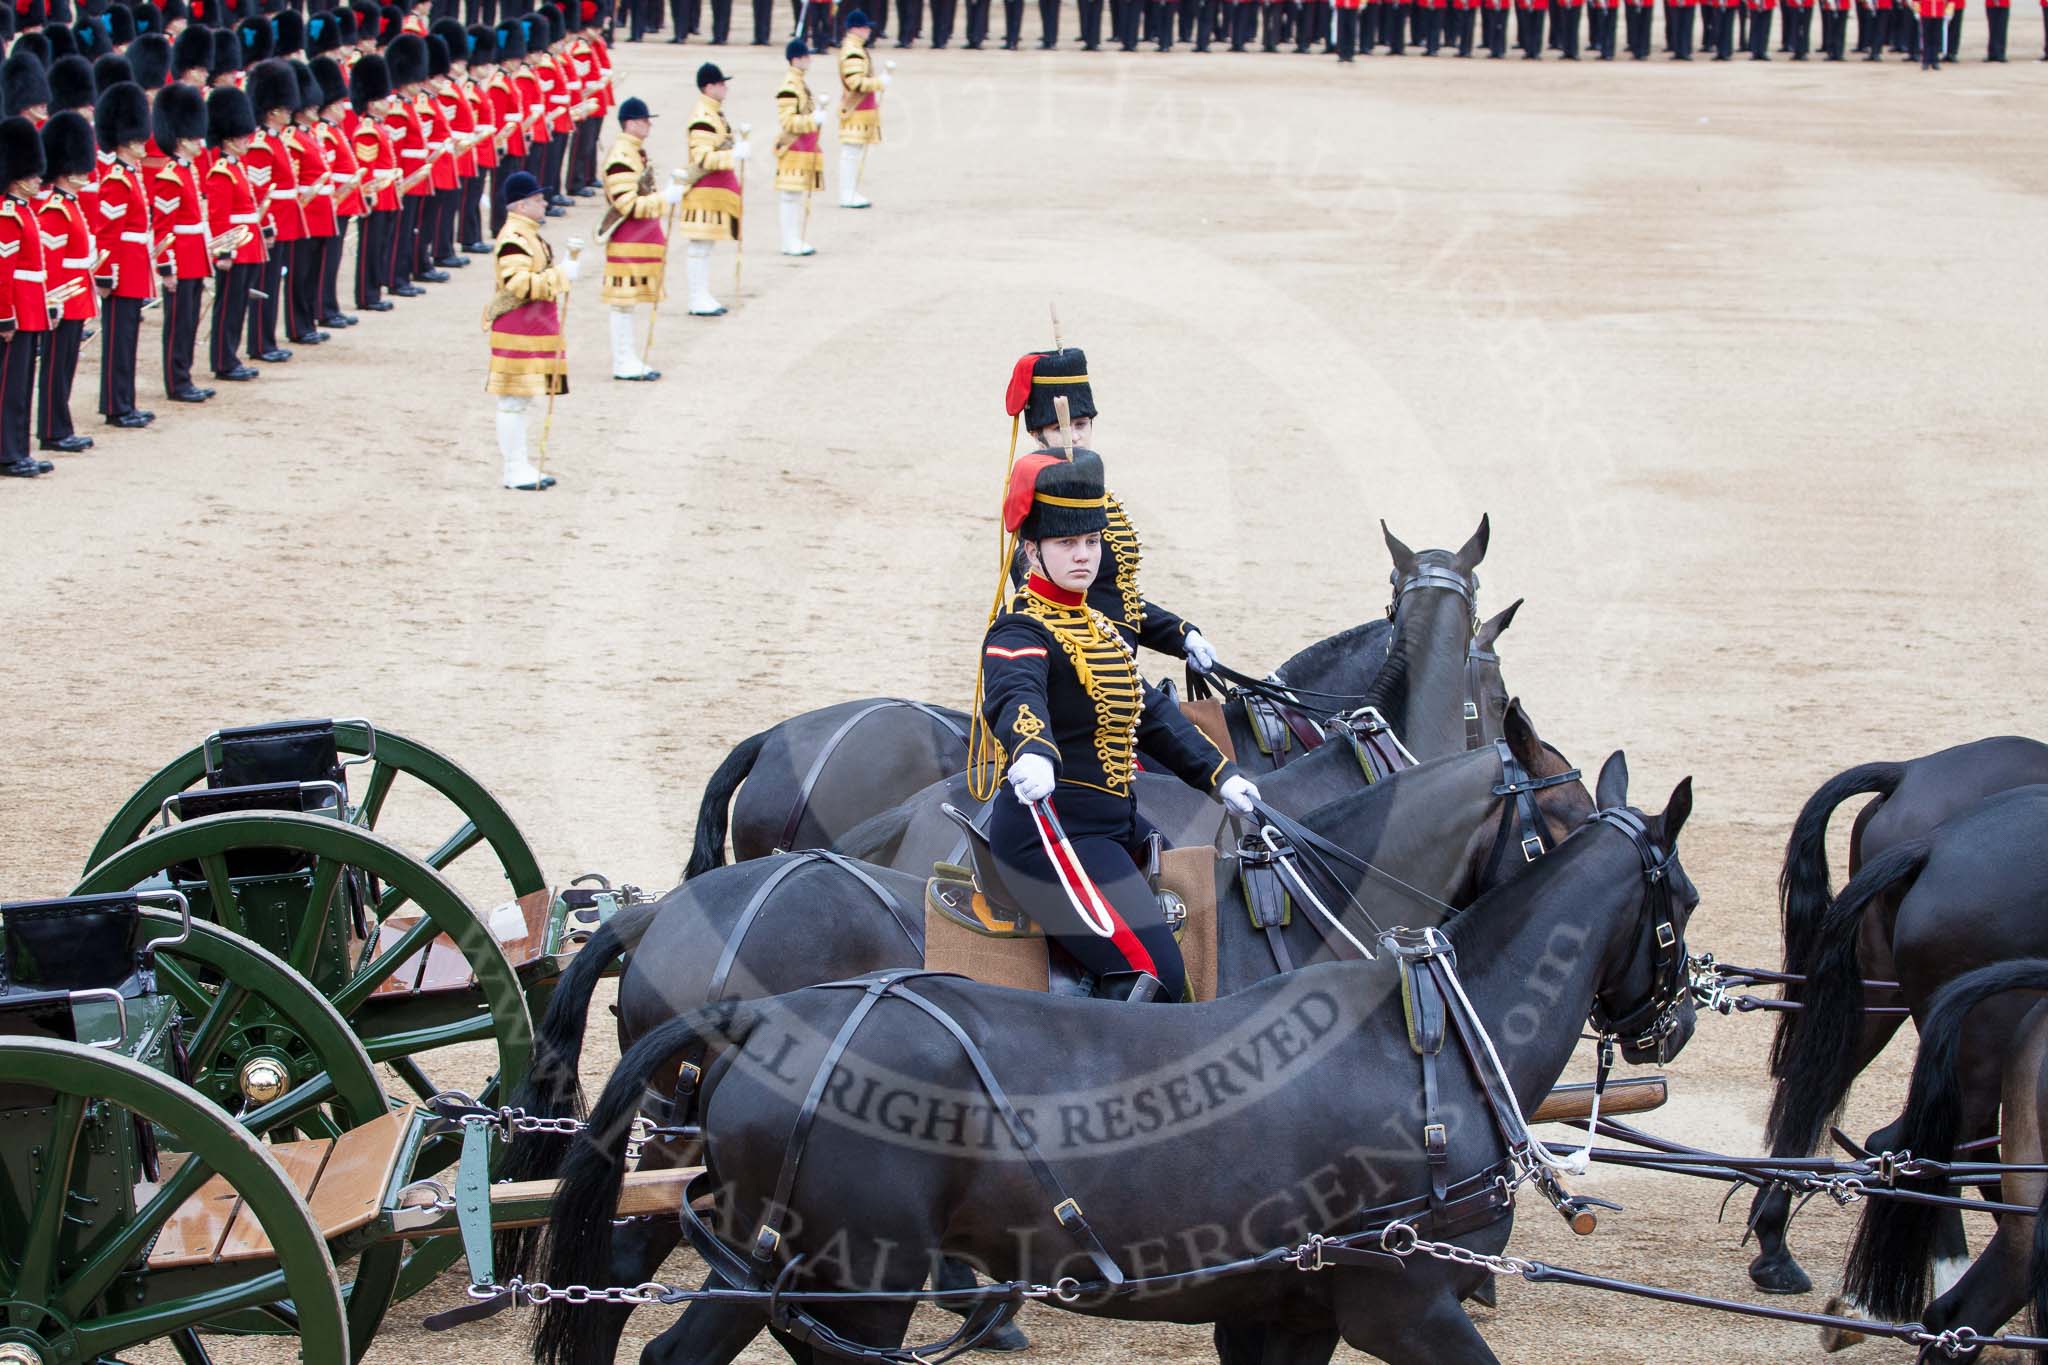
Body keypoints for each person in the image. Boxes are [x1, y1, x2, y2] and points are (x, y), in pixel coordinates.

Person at [975, 449, 1257, 1004]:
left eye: (1090, 543)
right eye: (1065, 544)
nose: (1083, 556)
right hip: (1052, 835)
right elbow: (1016, 692)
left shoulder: (1102, 628)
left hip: (1115, 824)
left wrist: (1220, 777)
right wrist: (1032, 749)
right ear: (1033, 550)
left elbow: (1154, 717)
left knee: (1204, 910)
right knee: (1156, 972)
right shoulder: (1018, 629)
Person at [1005, 346, 1221, 673]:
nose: (1073, 437)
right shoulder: (1037, 501)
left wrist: (1182, 635)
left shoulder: (1097, 494)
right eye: (1060, 428)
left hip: (1120, 661)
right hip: (1083, 667)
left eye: (1081, 424)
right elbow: (1046, 605)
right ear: (1038, 434)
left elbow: (1119, 600)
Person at [485, 167, 573, 490]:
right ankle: (513, 468)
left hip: (526, 326)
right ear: (521, 206)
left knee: (519, 401)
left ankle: (519, 464)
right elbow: (519, 284)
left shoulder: (525, 234)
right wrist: (561, 276)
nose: (544, 204)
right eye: (538, 200)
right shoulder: (515, 237)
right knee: (512, 400)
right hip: (517, 326)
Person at [597, 93, 680, 377]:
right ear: (631, 124)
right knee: (623, 304)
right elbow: (627, 204)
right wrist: (665, 198)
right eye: (644, 121)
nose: (648, 126)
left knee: (629, 305)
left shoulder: (632, 151)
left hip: (637, 237)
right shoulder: (622, 155)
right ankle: (622, 361)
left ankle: (628, 357)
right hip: (628, 237)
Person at [91, 80, 153, 430]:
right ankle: (116, 406)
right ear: (127, 141)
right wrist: (106, 272)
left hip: (133, 265)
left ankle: (125, 401)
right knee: (118, 340)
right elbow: (108, 231)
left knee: (128, 339)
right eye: (139, 139)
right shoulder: (117, 179)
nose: (145, 143)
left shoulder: (131, 175)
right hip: (121, 269)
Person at [33, 109, 95, 454]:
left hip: (75, 296)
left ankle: (60, 426)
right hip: (64, 298)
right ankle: (52, 431)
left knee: (66, 367)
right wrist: (54, 302)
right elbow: (53, 264)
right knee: (56, 369)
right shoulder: (56, 208)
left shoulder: (69, 204)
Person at [0, 115, 56, 478]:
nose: (39, 179)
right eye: (33, 174)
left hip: (30, 306)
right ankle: (7, 452)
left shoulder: (24, 211)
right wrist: (4, 316)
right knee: (9, 386)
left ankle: (18, 448)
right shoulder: (7, 215)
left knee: (22, 385)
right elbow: (3, 273)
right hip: (15, 310)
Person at [150, 82, 213, 403]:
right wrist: (166, 268)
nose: (200, 142)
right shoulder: (169, 176)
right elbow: (162, 229)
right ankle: (176, 382)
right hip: (179, 259)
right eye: (193, 136)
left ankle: (185, 374)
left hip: (193, 256)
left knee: (189, 322)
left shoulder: (188, 172)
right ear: (180, 140)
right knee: (177, 324)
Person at [202, 85, 263, 382]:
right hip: (235, 248)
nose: (245, 140)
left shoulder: (237, 167)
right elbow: (218, 217)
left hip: (248, 244)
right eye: (239, 136)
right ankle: (223, 361)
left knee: (238, 304)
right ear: (226, 139)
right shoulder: (221, 171)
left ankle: (231, 356)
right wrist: (224, 251)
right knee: (228, 305)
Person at [678, 61, 741, 317]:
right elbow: (703, 158)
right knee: (700, 247)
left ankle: (701, 294)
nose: (725, 88)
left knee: (705, 247)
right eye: (720, 84)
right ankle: (696, 296)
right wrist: (733, 156)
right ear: (709, 87)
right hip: (703, 186)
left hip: (712, 188)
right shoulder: (704, 117)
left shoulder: (713, 112)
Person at [772, 37, 826, 257]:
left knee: (795, 197)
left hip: (802, 146)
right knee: (790, 196)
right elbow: (787, 121)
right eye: (805, 57)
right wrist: (813, 120)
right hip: (793, 145)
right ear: (796, 59)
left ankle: (792, 238)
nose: (809, 60)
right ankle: (788, 240)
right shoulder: (790, 85)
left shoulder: (799, 82)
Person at [835, 9, 884, 210]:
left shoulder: (855, 47)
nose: (868, 32)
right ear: (857, 29)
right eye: (865, 28)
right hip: (856, 106)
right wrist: (878, 83)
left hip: (860, 107)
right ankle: (847, 193)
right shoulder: (853, 50)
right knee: (851, 152)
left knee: (854, 152)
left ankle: (850, 191)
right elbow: (855, 82)